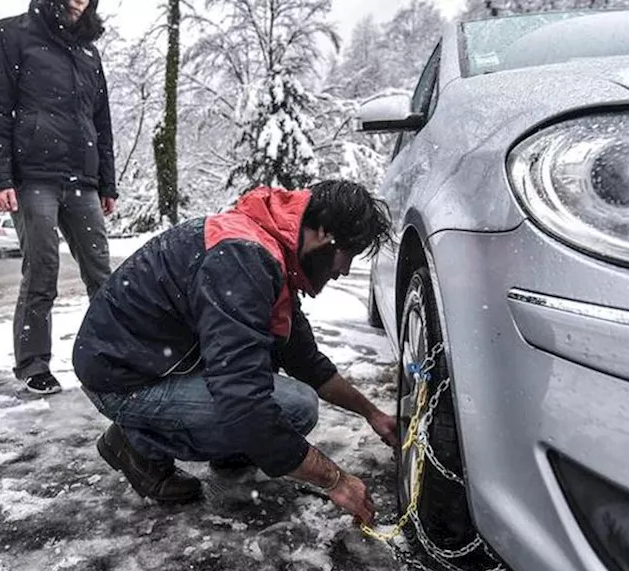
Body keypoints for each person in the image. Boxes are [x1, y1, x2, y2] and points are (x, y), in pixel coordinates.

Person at [74, 181, 397, 525]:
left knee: (276, 392)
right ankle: (138, 446)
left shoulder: (269, 249)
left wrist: (372, 413)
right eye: (346, 255)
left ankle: (229, 448)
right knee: (293, 409)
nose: (344, 270)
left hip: (151, 361)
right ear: (322, 233)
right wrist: (336, 481)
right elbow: (245, 403)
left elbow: (304, 359)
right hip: (123, 382)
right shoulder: (243, 259)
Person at [0, 0, 117, 395]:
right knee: (42, 271)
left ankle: (115, 354)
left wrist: (107, 183)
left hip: (83, 179)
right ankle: (33, 364)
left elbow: (101, 121)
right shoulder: (12, 33)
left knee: (102, 275)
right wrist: (0, 179)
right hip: (32, 176)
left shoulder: (89, 51)